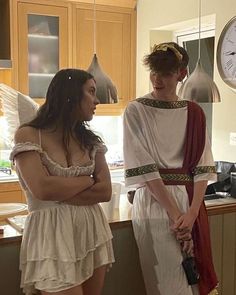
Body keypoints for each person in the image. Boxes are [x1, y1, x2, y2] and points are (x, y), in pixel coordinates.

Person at [123, 42, 218, 295]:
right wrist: (178, 217)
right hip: (155, 203)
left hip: (189, 203)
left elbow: (202, 168)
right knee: (168, 285)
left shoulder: (195, 113)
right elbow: (146, 170)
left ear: (181, 73)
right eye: (154, 72)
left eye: (165, 73)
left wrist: (192, 214)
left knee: (194, 283)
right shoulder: (136, 110)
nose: (157, 79)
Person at [10, 68, 115, 295]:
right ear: (70, 95)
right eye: (91, 91)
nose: (97, 100)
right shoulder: (29, 135)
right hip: (52, 234)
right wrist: (87, 180)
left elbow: (105, 191)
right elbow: (42, 188)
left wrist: (61, 190)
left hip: (91, 230)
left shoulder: (89, 140)